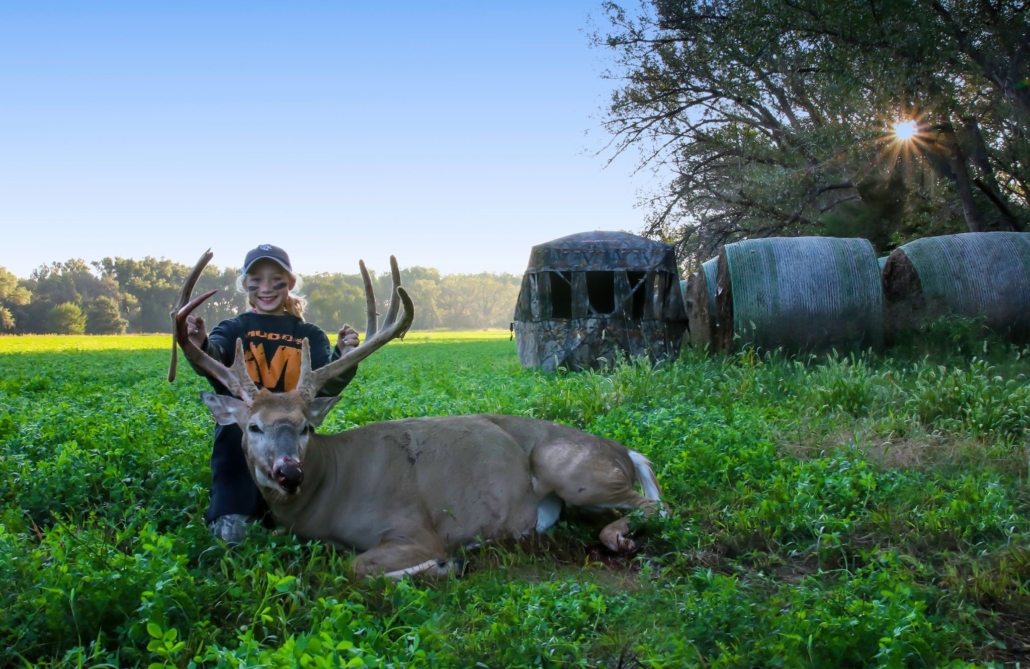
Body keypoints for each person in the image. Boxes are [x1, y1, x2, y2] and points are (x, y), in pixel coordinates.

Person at [185, 244, 360, 542]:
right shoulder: (234, 327)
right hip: (249, 426)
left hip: (291, 427)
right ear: (246, 286)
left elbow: (326, 381)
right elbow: (214, 358)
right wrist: (199, 341)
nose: (266, 288)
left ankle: (308, 514)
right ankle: (233, 510)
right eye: (257, 280)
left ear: (290, 284)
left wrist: (343, 355)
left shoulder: (309, 334)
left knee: (306, 447)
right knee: (235, 437)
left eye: (276, 279)